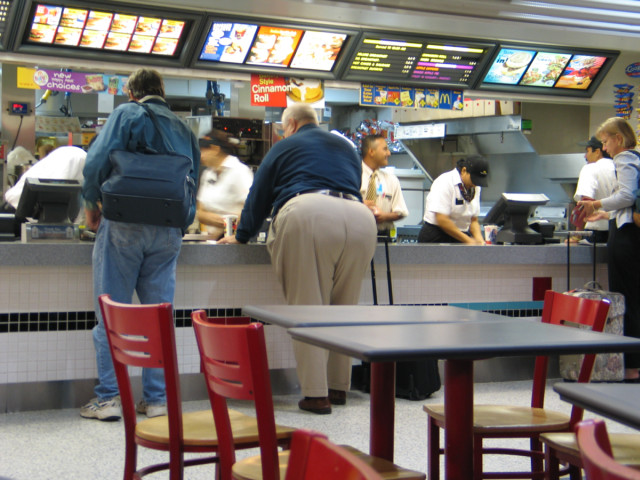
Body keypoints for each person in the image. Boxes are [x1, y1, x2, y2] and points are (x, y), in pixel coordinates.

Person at [218, 103, 377, 414]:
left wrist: (242, 235)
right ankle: (338, 387)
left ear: (290, 124)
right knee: (344, 309)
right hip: (360, 220)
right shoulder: (346, 147)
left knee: (308, 308)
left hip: (309, 214)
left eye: (281, 128)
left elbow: (259, 195)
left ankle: (317, 395)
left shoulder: (286, 146)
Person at [80, 68, 200, 421]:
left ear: (132, 92)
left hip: (124, 225)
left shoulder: (126, 114)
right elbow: (194, 181)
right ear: (162, 91)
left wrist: (91, 206)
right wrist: (181, 221)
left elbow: (96, 164)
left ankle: (109, 398)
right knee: (157, 317)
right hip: (167, 230)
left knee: (111, 315)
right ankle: (157, 399)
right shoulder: (184, 127)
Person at [578, 117, 640, 382]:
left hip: (625, 240)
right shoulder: (637, 157)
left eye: (605, 142)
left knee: (626, 300)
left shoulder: (625, 157)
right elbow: (628, 204)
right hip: (631, 235)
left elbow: (626, 196)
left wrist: (596, 204)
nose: (604, 148)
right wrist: (605, 214)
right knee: (635, 298)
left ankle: (631, 366)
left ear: (618, 137)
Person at [196, 129, 253, 239]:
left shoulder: (239, 171)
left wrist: (226, 225)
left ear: (215, 149)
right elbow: (201, 213)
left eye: (203, 151)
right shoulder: (208, 174)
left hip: (234, 240)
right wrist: (226, 221)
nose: (201, 156)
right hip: (213, 239)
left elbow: (249, 209)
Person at [418, 157, 489, 244]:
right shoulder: (445, 181)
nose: (475, 184)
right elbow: (442, 219)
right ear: (463, 171)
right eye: (474, 180)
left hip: (460, 235)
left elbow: (473, 220)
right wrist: (468, 240)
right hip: (436, 235)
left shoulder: (475, 187)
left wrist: (479, 240)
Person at [3, 146, 86, 217]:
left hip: (24, 208)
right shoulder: (79, 158)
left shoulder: (75, 154)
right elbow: (56, 189)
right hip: (20, 210)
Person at [360, 134, 408, 237]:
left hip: (383, 236)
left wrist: (384, 216)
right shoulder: (353, 176)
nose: (389, 153)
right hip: (356, 235)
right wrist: (360, 205)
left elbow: (401, 212)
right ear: (371, 151)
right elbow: (341, 205)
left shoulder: (391, 180)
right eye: (385, 149)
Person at [570, 135, 615, 244]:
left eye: (588, 151)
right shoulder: (618, 167)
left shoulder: (590, 168)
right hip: (618, 229)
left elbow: (586, 203)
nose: (585, 156)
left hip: (597, 230)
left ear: (598, 151)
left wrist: (576, 236)